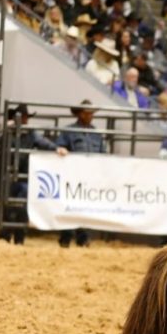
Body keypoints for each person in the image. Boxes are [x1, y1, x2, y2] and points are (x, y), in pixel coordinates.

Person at [1, 104, 61, 245]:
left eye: (26, 117)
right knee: (10, 204)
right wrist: (6, 130)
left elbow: (43, 142)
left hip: (23, 175)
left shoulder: (30, 133)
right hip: (7, 175)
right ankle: (8, 234)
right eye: (23, 117)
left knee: (21, 203)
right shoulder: (8, 132)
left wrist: (56, 148)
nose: (25, 120)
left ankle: (15, 235)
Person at [56, 100, 104, 248]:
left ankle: (83, 238)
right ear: (80, 114)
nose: (90, 116)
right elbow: (60, 146)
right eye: (87, 113)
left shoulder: (96, 134)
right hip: (72, 175)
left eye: (91, 113)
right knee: (69, 205)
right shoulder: (69, 131)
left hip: (90, 176)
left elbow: (103, 153)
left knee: (87, 206)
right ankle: (66, 237)